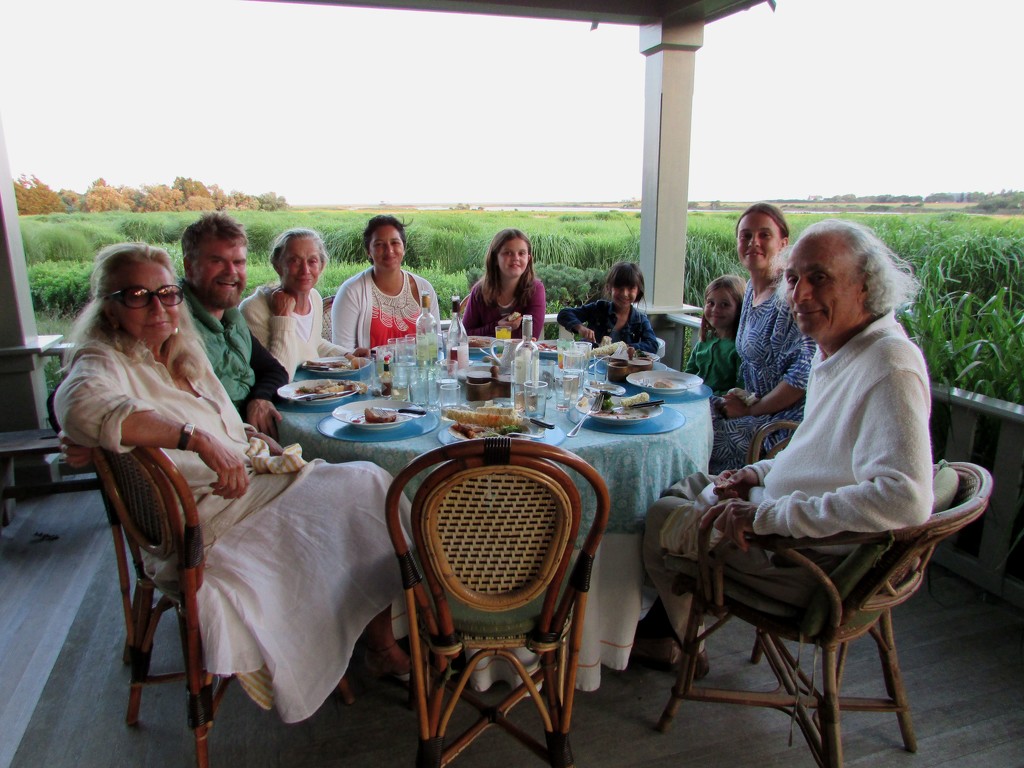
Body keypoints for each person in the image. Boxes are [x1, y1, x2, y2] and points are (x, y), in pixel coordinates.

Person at [55, 242, 411, 724]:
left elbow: (235, 407)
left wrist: (240, 439)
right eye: (138, 295)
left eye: (165, 293)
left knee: (367, 488)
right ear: (109, 307)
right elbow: (78, 404)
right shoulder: (105, 359)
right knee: (368, 488)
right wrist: (192, 437)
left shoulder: (181, 348)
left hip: (248, 479)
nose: (159, 306)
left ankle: (380, 639)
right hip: (212, 514)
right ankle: (399, 633)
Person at [642, 218, 932, 673]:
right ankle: (669, 628)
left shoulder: (889, 364)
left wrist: (767, 516)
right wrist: (755, 474)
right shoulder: (836, 350)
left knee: (658, 516)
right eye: (794, 279)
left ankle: (681, 642)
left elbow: (906, 497)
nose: (799, 295)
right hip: (777, 520)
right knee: (677, 488)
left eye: (820, 278)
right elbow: (816, 456)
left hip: (805, 566)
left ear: (865, 286)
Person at [709, 203, 816, 473]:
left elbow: (801, 377)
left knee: (699, 437)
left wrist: (750, 411)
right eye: (745, 235)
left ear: (783, 243)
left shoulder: (790, 296)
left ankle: (706, 502)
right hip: (755, 407)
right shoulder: (749, 293)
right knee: (688, 413)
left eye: (764, 235)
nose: (753, 242)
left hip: (782, 425)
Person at [181, 212, 287, 439]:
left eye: (238, 262)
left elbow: (274, 370)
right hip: (218, 451)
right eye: (217, 261)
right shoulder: (173, 323)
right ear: (189, 267)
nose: (231, 272)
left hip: (249, 435)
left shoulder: (232, 317)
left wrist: (259, 398)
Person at [240, 228, 361, 380]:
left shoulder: (314, 298)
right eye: (294, 261)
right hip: (279, 400)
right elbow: (280, 376)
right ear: (277, 265)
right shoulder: (254, 309)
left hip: (314, 392)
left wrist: (347, 355)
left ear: (321, 266)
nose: (305, 270)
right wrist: (283, 318)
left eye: (312, 261)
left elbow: (313, 344)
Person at [331, 215, 439, 356]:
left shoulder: (424, 289)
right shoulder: (351, 292)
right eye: (379, 244)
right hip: (368, 375)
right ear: (368, 252)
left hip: (417, 375)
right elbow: (342, 354)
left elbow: (434, 344)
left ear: (404, 248)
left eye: (395, 243)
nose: (389, 250)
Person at [461, 228, 546, 339]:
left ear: (528, 259)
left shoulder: (535, 289)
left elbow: (529, 337)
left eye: (521, 253)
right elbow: (464, 335)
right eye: (508, 253)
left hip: (521, 356)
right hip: (484, 356)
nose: (516, 258)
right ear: (495, 258)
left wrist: (493, 333)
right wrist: (498, 326)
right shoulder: (479, 291)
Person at [556, 261, 659, 354]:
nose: (625, 294)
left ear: (638, 291)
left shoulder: (640, 320)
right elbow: (564, 314)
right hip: (591, 366)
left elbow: (652, 345)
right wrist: (580, 328)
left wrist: (625, 347)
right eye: (619, 287)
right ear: (609, 288)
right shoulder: (599, 308)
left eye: (631, 288)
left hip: (622, 371)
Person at [684, 275, 745, 395]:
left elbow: (740, 389)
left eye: (725, 304)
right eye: (710, 303)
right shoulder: (704, 341)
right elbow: (689, 374)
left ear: (739, 309)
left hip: (720, 405)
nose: (715, 309)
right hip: (694, 398)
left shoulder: (739, 348)